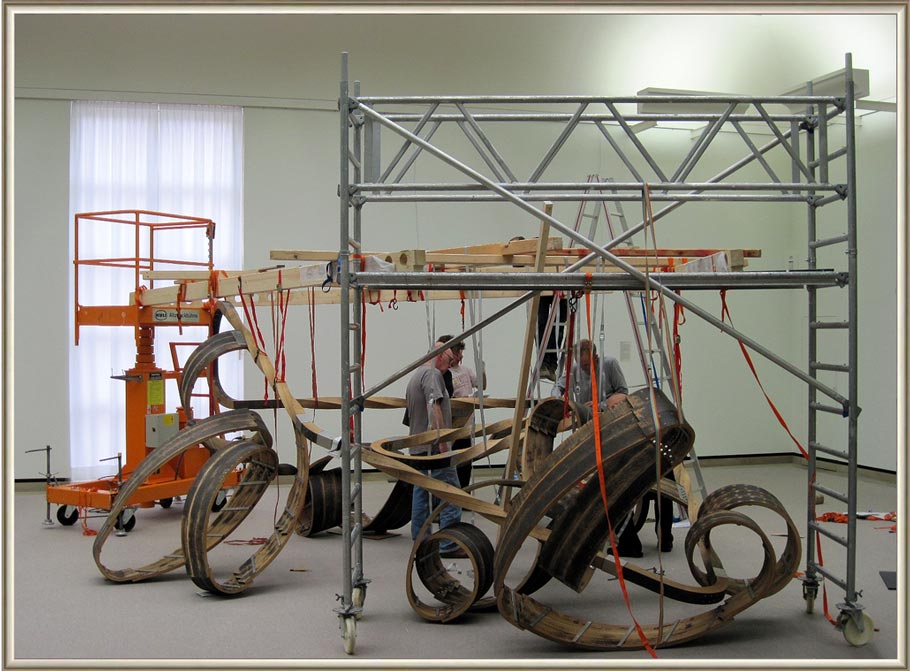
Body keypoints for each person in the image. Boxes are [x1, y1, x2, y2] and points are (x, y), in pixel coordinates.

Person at [405, 342, 465, 558]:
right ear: (440, 355)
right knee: (452, 494)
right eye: (450, 360)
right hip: (433, 449)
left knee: (421, 494)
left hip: (418, 448)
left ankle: (420, 541)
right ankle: (448, 545)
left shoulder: (417, 374)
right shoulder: (432, 375)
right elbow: (434, 406)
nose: (450, 366)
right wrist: (443, 444)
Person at [550, 338, 628, 424]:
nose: (583, 369)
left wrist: (599, 405)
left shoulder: (610, 364)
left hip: (610, 416)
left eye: (587, 365)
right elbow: (558, 387)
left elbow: (623, 393)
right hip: (586, 420)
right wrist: (557, 400)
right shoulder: (575, 369)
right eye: (580, 365)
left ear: (596, 357)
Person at [444, 339, 486, 488]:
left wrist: (482, 370)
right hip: (455, 423)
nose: (461, 356)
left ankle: (465, 489)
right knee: (454, 457)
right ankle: (455, 489)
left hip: (467, 422)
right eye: (458, 353)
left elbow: (482, 385)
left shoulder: (466, 370)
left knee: (466, 458)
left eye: (461, 353)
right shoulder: (446, 373)